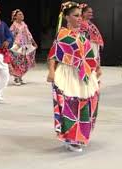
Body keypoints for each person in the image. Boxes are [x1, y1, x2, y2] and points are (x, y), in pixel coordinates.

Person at [47, 1, 100, 152]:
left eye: (80, 15)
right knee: (69, 104)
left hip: (83, 75)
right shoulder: (62, 35)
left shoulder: (82, 36)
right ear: (66, 17)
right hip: (67, 73)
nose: (79, 18)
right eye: (75, 15)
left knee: (85, 103)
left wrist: (96, 68)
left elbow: (88, 56)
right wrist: (51, 72)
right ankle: (70, 137)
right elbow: (53, 55)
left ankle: (80, 135)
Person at [9, 9, 38, 86]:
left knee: (24, 61)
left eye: (22, 14)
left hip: (25, 45)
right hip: (17, 45)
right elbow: (10, 36)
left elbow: (29, 34)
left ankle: (20, 76)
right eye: (20, 14)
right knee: (17, 61)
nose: (22, 15)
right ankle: (16, 78)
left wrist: (34, 42)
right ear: (15, 17)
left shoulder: (24, 24)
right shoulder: (13, 25)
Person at [79, 3, 103, 77]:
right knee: (89, 66)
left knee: (93, 65)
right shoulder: (81, 24)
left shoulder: (89, 23)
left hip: (93, 47)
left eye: (91, 12)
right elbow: (82, 38)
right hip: (88, 47)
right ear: (83, 13)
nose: (91, 14)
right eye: (89, 12)